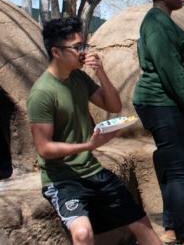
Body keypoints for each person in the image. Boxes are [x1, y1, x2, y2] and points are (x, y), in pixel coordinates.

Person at [27, 17, 161, 245]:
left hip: (92, 170)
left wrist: (101, 73)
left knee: (142, 224)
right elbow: (44, 148)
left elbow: (113, 106)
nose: (83, 52)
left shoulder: (78, 77)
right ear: (56, 52)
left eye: (84, 46)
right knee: (82, 233)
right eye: (77, 47)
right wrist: (89, 145)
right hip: (62, 179)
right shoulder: (42, 93)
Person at [133, 0, 184, 245]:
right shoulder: (155, 24)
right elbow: (171, 72)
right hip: (161, 103)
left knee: (172, 168)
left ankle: (172, 228)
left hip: (167, 103)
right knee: (178, 171)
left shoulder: (162, 21)